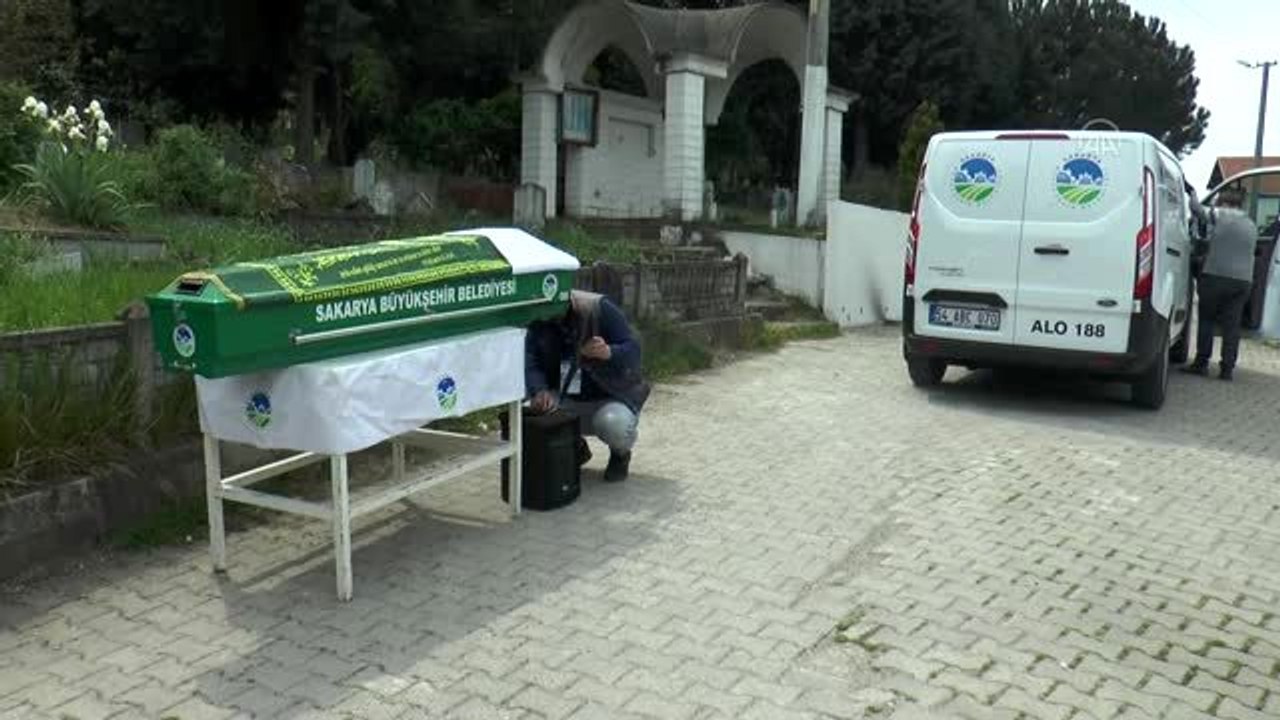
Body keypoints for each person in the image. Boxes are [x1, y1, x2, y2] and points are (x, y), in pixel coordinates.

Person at [525, 290, 650, 482]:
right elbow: (531, 362)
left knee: (613, 424)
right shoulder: (538, 318)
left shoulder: (600, 308)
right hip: (568, 396)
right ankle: (575, 448)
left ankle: (620, 455)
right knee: (527, 411)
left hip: (610, 397)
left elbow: (634, 352)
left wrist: (610, 352)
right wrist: (539, 390)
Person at [1183, 185, 1258, 381]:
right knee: (1231, 326)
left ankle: (1201, 363)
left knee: (1207, 320)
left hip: (1216, 277)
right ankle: (1227, 370)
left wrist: (1192, 193)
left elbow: (1196, 209)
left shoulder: (1220, 213)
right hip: (1243, 282)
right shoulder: (1251, 223)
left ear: (1224, 202)